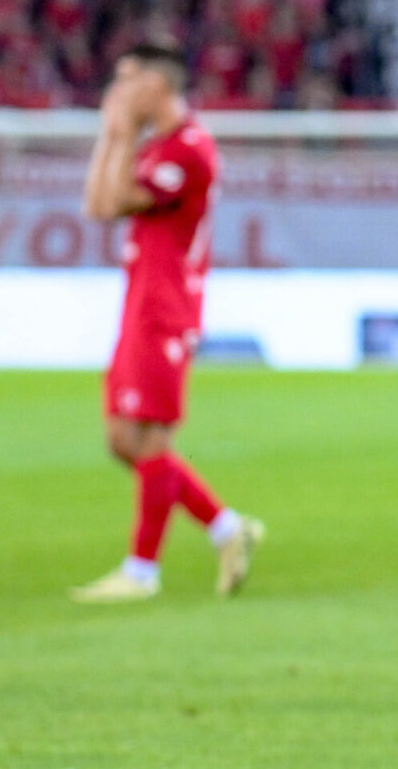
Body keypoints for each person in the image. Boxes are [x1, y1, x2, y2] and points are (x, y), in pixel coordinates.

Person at [70, 39, 264, 604]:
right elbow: (96, 205)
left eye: (127, 81)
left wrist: (121, 134)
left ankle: (142, 572)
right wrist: (113, 133)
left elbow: (113, 204)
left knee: (151, 439)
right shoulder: (158, 148)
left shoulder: (189, 151)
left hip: (167, 308)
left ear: (157, 87)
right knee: (120, 440)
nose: (118, 93)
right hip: (140, 303)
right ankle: (228, 529)